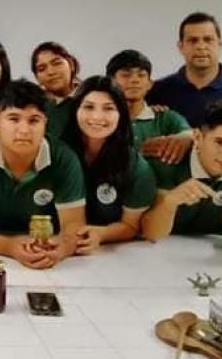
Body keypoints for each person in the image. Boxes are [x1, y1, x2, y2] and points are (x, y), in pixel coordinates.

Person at [0, 79, 86, 269]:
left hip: (48, 253)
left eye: (34, 120)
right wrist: (9, 247)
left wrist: (63, 247)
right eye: (14, 119)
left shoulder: (64, 159)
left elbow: (74, 224)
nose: (24, 130)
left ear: (45, 122)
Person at [141, 98, 222, 253]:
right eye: (220, 142)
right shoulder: (171, 159)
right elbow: (152, 234)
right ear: (198, 137)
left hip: (213, 251)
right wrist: (170, 202)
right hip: (162, 250)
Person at [60, 76, 157, 254]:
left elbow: (130, 225)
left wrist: (101, 234)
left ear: (121, 114)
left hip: (105, 255)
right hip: (54, 245)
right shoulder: (58, 155)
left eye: (108, 108)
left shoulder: (136, 167)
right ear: (75, 110)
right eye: (88, 107)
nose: (97, 117)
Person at [147, 12, 222, 127]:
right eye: (193, 40)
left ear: (220, 44)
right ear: (181, 47)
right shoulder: (156, 92)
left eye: (208, 39)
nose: (201, 46)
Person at [106, 49, 192, 164]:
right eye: (126, 75)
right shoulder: (102, 121)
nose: (134, 80)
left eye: (141, 75)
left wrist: (187, 137)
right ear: (111, 82)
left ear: (150, 84)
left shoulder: (166, 118)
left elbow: (189, 133)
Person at [31, 41, 81, 138]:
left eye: (57, 63)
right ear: (37, 78)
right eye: (42, 69)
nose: (50, 72)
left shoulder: (90, 97)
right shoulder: (37, 107)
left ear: (71, 65)